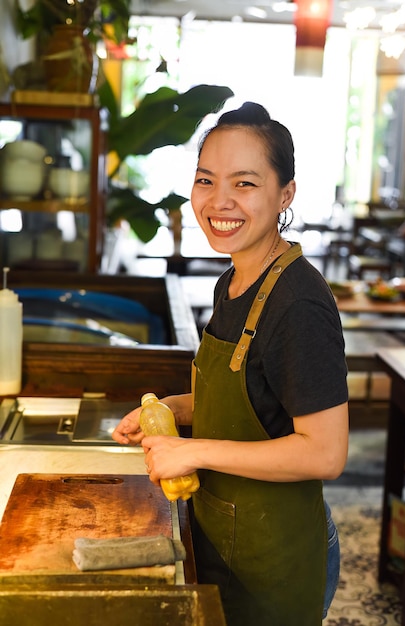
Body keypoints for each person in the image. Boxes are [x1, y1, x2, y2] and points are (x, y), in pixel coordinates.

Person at [112, 102, 349, 626]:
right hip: (223, 536)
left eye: (244, 183)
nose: (219, 201)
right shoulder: (234, 279)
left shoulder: (299, 303)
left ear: (285, 193)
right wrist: (170, 408)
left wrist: (192, 450)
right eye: (206, 180)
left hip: (277, 560)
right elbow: (256, 398)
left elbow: (326, 452)